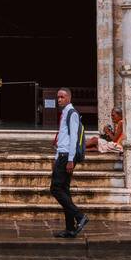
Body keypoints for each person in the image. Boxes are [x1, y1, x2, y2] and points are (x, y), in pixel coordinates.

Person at [49, 86, 88, 238]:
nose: (59, 100)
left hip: (67, 156)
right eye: (58, 97)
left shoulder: (72, 113)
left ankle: (80, 217)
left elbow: (72, 140)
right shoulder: (65, 112)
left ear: (69, 98)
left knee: (56, 189)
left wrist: (70, 160)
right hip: (62, 155)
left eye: (62, 97)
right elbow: (63, 138)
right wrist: (56, 157)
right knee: (64, 190)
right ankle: (70, 228)